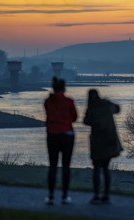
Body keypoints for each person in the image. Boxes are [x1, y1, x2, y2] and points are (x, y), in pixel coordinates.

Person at [83, 89, 122, 204]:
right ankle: (106, 195)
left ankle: (96, 195)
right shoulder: (106, 105)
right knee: (106, 169)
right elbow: (118, 109)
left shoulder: (92, 109)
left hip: (97, 142)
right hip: (109, 141)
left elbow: (86, 121)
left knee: (96, 168)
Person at [44, 77, 78, 205]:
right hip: (67, 134)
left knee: (52, 165)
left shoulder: (48, 102)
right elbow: (74, 117)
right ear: (64, 89)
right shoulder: (69, 101)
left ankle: (51, 195)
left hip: (52, 134)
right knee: (66, 166)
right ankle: (65, 196)